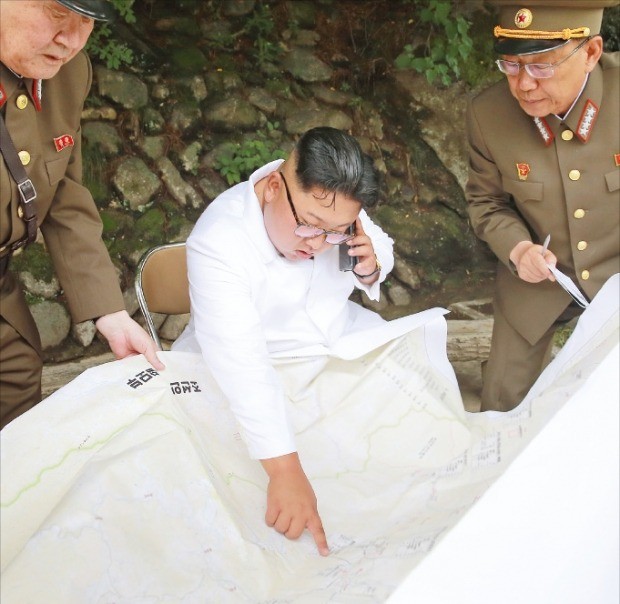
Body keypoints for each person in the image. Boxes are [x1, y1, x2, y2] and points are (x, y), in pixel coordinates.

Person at [173, 127, 396, 556]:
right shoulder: (219, 241)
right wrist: (285, 471)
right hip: (255, 370)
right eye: (309, 226)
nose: (317, 245)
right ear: (275, 186)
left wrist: (371, 265)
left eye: (335, 231)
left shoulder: (333, 205)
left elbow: (378, 242)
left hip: (332, 350)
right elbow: (243, 364)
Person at [0, 0, 164, 429]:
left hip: (5, 316)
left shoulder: (67, 74)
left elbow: (65, 195)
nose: (70, 41)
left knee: (21, 449)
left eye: (86, 22)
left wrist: (108, 312)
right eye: (57, 14)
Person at [466, 1, 620, 411]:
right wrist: (519, 250)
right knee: (501, 404)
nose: (524, 84)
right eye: (511, 65)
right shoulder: (488, 115)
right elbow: (486, 203)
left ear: (590, 53)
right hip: (539, 282)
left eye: (541, 66)